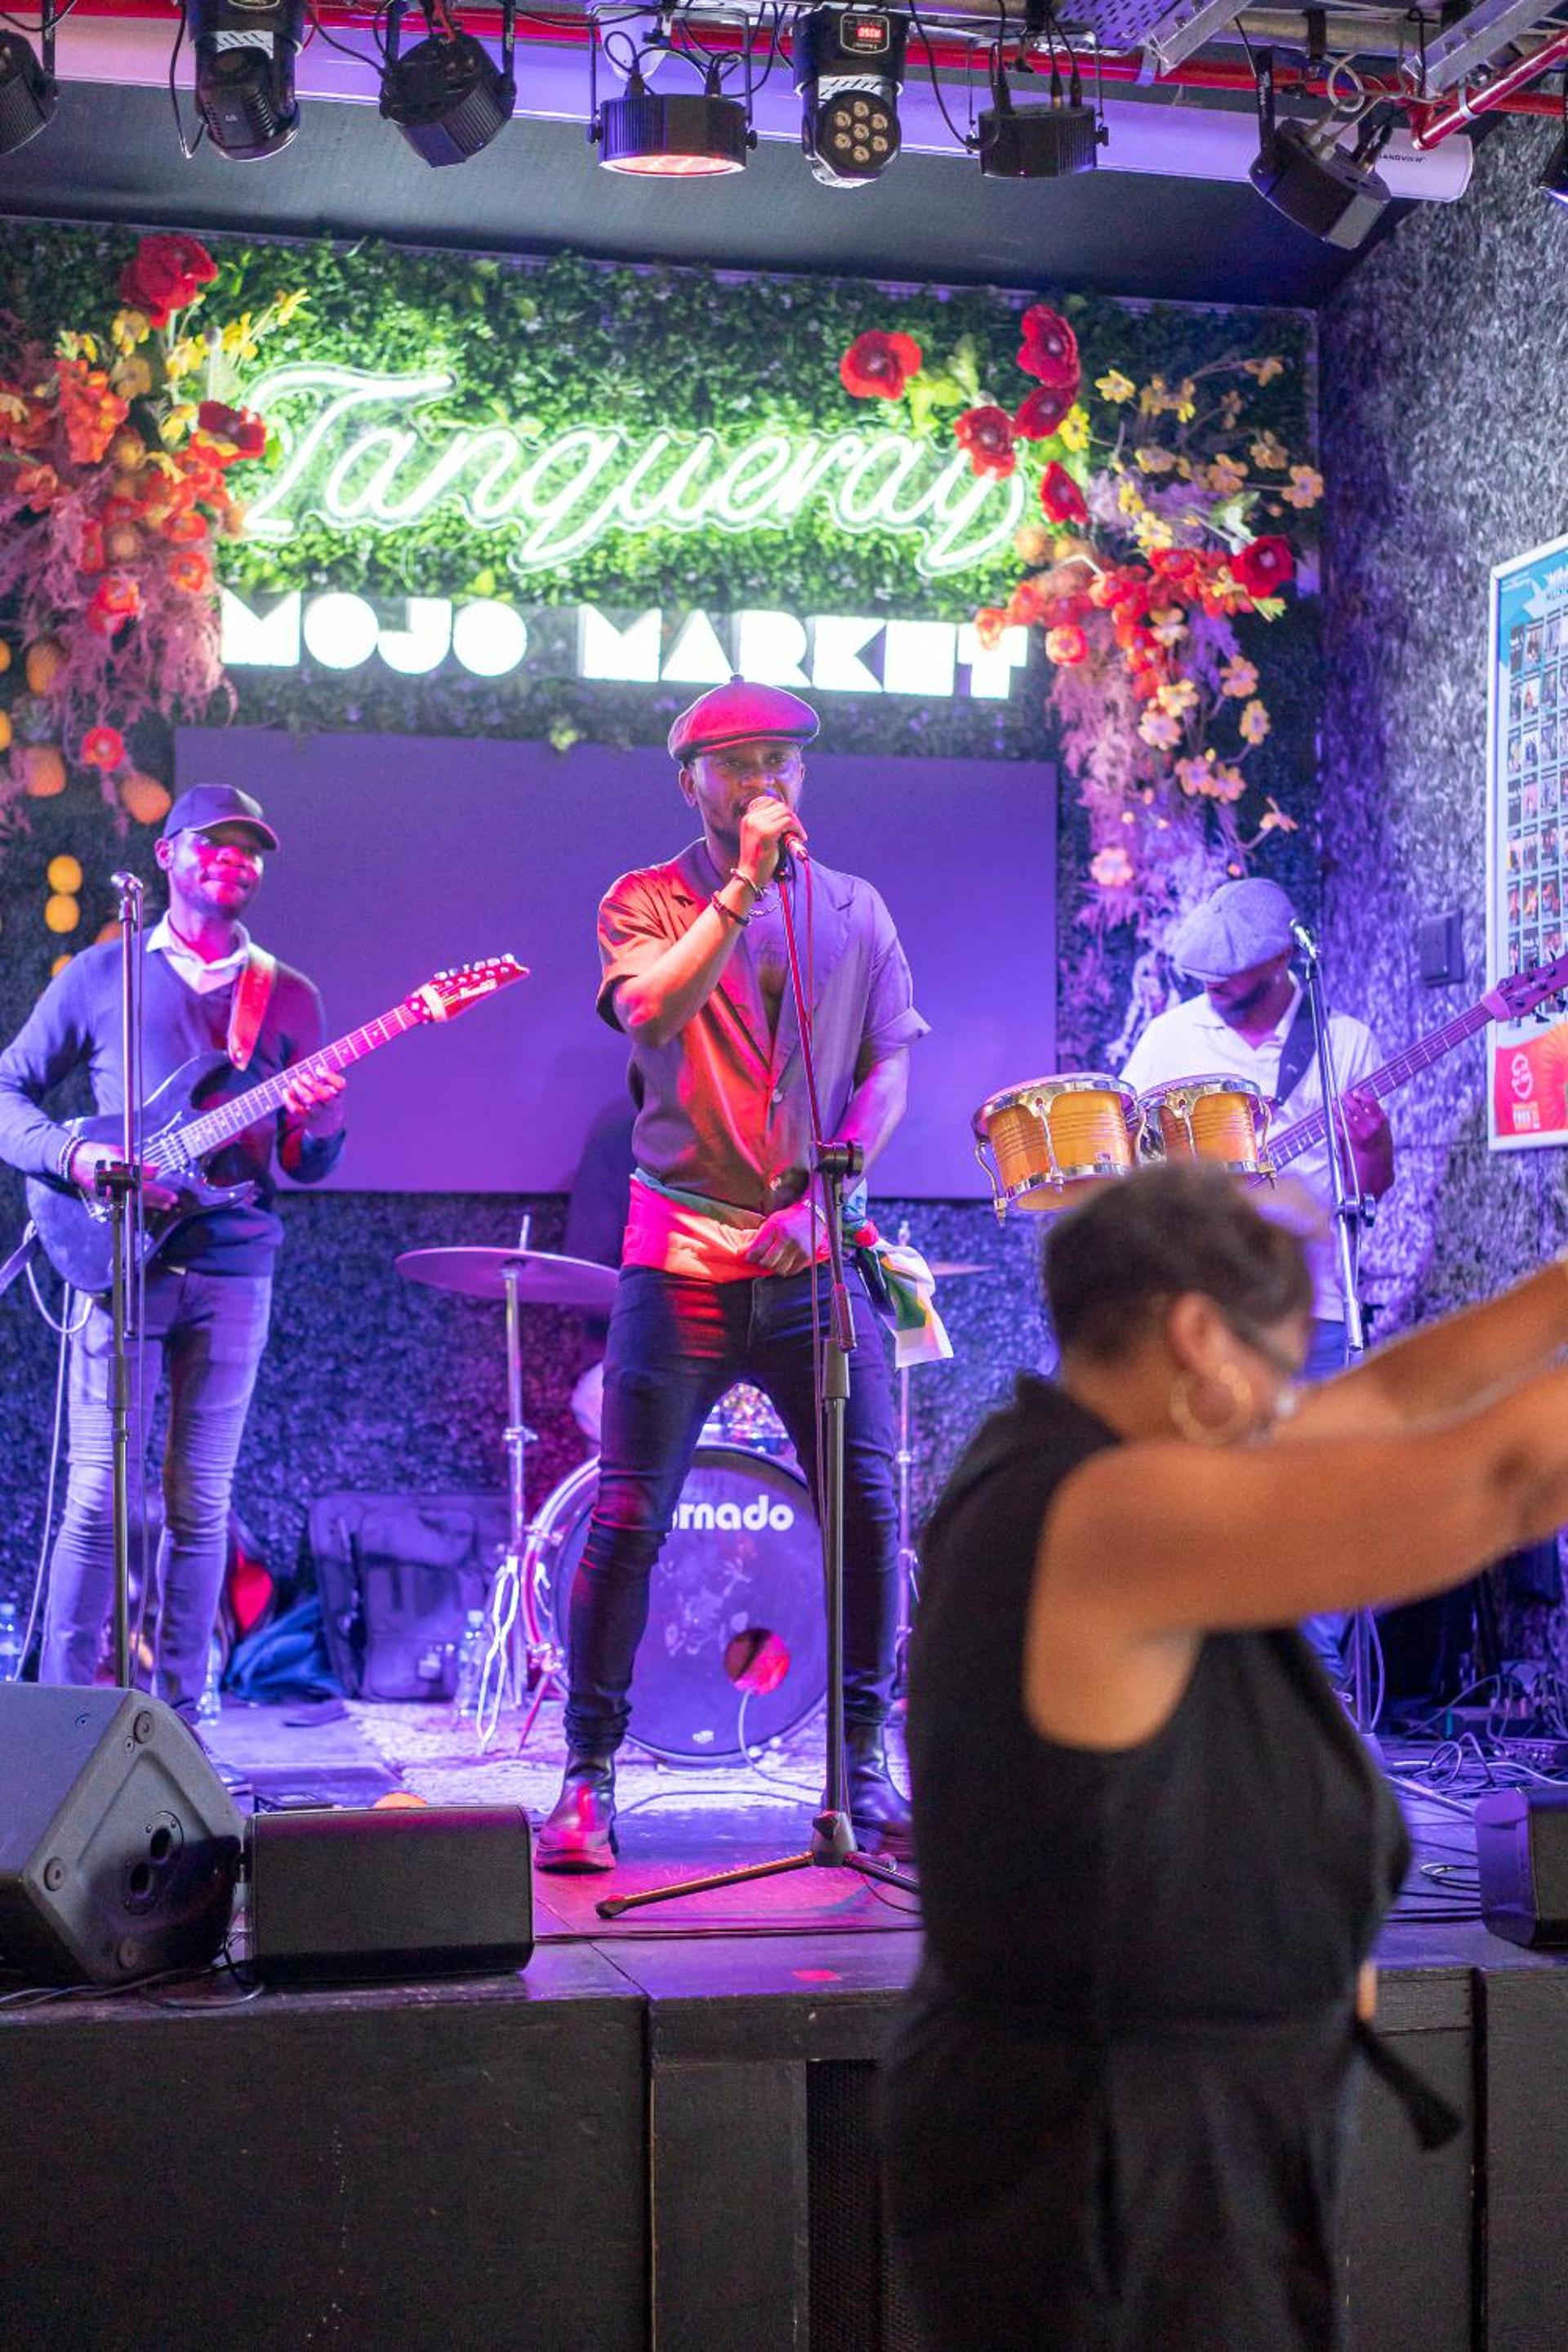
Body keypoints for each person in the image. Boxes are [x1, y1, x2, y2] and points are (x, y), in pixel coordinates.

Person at [880, 1160, 1568, 2351]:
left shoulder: (1070, 1460)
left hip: (1150, 2133)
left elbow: (1393, 1401)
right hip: (1103, 2159)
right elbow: (1507, 1480)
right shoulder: (1107, 1511)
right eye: (1281, 1371)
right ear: (1200, 1336)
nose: (1285, 1412)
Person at [537, 677, 925, 1871]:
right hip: (682, 1255)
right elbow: (653, 1012)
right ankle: (588, 1779)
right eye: (739, 763)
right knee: (628, 1516)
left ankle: (860, 1765)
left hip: (814, 1258)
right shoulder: (643, 900)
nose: (765, 780)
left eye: (782, 762)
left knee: (868, 1513)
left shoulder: (856, 908)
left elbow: (888, 1065)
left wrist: (829, 1196)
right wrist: (744, 887)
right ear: (691, 782)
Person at [0, 782, 345, 1722]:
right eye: (214, 842)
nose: (235, 858)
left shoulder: (289, 996)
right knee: (97, 1500)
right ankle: (63, 1724)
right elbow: (9, 1092)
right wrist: (73, 1156)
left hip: (235, 1268)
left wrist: (321, 1122)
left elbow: (304, 1162)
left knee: (200, 1506)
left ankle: (182, 1725)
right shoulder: (101, 975)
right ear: (167, 857)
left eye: (250, 848)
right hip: (118, 1261)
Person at [1119, 875, 1393, 1382]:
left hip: (1314, 1306)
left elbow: (1368, 1191)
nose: (1213, 984)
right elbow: (1126, 1160)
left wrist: (1370, 1143)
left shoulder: (1343, 1042)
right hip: (1200, 1303)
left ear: (1280, 958)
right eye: (1205, 974)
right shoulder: (1167, 1038)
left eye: (1230, 972)